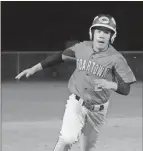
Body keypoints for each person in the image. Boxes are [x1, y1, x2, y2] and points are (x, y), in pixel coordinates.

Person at [15, 14, 136, 151]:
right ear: (92, 33)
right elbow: (59, 57)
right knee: (67, 139)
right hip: (76, 103)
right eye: (99, 31)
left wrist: (110, 84)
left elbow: (126, 89)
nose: (102, 35)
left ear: (112, 36)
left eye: (107, 32)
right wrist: (34, 68)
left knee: (86, 148)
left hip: (98, 111)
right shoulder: (82, 47)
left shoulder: (116, 58)